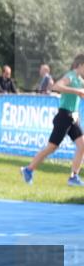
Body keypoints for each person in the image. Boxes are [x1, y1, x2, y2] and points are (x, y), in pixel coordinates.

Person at [21, 54, 84, 187]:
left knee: (82, 145)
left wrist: (79, 92)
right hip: (64, 115)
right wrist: (76, 91)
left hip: (73, 116)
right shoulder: (71, 76)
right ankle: (28, 170)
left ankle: (73, 177)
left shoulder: (79, 80)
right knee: (52, 147)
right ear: (80, 65)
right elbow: (56, 87)